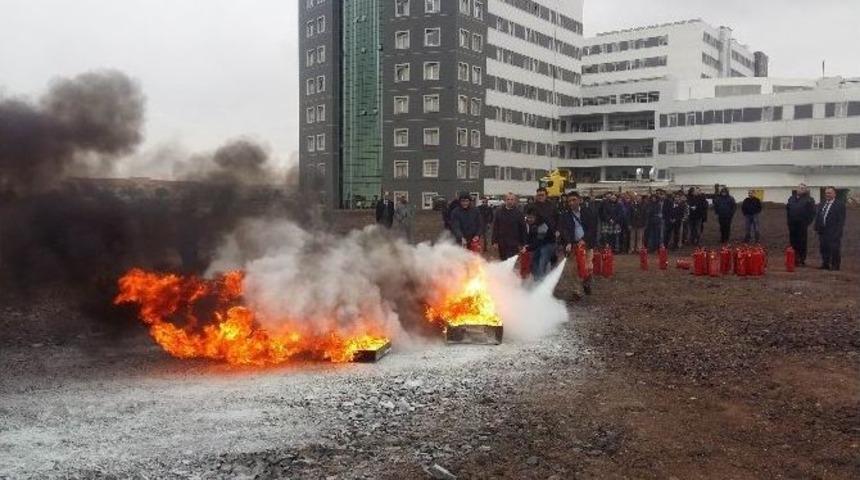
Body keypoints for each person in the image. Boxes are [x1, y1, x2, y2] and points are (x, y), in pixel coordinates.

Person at [559, 192, 598, 299]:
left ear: (579, 200)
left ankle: (586, 282)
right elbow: (563, 230)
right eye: (569, 201)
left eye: (574, 200)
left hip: (587, 244)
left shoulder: (588, 212)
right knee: (572, 269)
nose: (571, 203)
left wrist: (584, 240)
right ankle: (576, 291)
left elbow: (592, 228)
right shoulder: (565, 215)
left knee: (588, 266)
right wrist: (568, 242)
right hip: (572, 245)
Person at [526, 188, 559, 279]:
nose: (540, 197)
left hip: (549, 239)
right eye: (538, 195)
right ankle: (537, 281)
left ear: (546, 195)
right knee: (534, 263)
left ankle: (541, 286)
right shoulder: (532, 207)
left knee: (542, 262)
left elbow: (558, 219)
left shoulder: (552, 206)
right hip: (536, 240)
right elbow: (528, 220)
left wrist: (557, 230)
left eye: (542, 195)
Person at [814, 187, 846, 271]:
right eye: (826, 193)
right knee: (823, 248)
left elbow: (841, 220)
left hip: (833, 231)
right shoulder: (822, 203)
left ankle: (835, 266)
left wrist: (838, 232)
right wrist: (817, 228)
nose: (827, 194)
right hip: (823, 231)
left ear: (834, 194)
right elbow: (818, 216)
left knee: (834, 249)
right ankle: (825, 264)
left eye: (829, 193)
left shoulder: (840, 205)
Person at [786, 183, 816, 267]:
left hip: (802, 225)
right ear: (796, 189)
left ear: (806, 190)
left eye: (803, 188)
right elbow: (788, 210)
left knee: (802, 242)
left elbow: (812, 213)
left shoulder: (809, 199)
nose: (801, 189)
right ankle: (794, 258)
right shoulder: (791, 199)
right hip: (792, 224)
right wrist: (788, 221)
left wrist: (807, 222)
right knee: (793, 242)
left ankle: (802, 259)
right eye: (799, 188)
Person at [492, 193, 527, 261]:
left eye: (512, 199)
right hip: (502, 242)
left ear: (515, 201)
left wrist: (523, 243)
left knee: (510, 261)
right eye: (508, 199)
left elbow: (523, 229)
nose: (510, 201)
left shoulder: (518, 213)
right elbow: (496, 227)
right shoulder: (499, 212)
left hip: (513, 243)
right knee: (503, 260)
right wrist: (494, 241)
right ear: (505, 200)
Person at [525, 212, 555, 281]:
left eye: (531, 218)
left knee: (542, 261)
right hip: (539, 244)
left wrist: (528, 248)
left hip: (548, 244)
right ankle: (536, 279)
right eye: (528, 217)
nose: (529, 219)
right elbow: (530, 237)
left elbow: (539, 241)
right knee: (533, 261)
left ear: (536, 217)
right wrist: (526, 245)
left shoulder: (542, 225)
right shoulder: (530, 224)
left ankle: (542, 282)